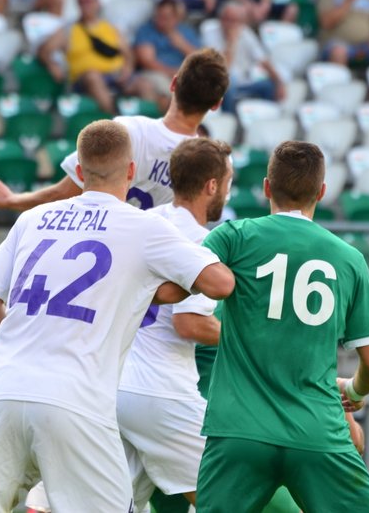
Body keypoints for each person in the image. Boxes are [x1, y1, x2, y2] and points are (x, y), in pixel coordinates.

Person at [0, 119, 235, 512]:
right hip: (77, 398)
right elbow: (219, 283)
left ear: (79, 170)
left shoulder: (32, 219)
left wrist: (25, 342)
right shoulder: (142, 226)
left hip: (3, 390)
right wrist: (158, 289)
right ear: (131, 170)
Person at [196, 141, 369, 512]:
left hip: (239, 431)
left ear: (267, 187)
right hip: (317, 432)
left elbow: (183, 291)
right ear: (322, 192)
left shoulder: (232, 237)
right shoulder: (349, 259)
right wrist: (355, 391)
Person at [117, 138, 232, 511]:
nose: (228, 191)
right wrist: (250, 342)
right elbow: (190, 323)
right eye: (227, 182)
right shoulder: (203, 241)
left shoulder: (143, 222)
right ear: (212, 186)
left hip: (114, 384)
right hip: (161, 391)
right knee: (227, 497)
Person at [0, 47, 230, 212]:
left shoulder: (127, 130)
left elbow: (63, 193)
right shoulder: (215, 163)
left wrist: (13, 200)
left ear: (173, 84)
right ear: (217, 104)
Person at [36, 0, 160, 117]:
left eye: (89, 1)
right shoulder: (69, 30)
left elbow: (128, 54)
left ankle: (151, 123)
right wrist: (52, 65)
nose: (86, 5)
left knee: (145, 85)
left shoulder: (111, 29)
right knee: (93, 76)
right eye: (82, 2)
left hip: (115, 76)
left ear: (97, 2)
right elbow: (44, 50)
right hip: (85, 80)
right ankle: (114, 120)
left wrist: (127, 69)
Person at [207, 1, 286, 113]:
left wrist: (279, 82)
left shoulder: (245, 33)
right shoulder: (210, 34)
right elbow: (223, 71)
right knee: (228, 83)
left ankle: (268, 116)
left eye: (235, 21)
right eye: (227, 19)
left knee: (269, 86)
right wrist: (231, 42)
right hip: (220, 85)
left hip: (245, 82)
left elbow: (263, 61)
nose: (230, 24)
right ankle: (229, 118)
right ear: (220, 19)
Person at [134, 0, 202, 101]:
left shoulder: (186, 31)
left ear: (175, 17)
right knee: (171, 91)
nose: (160, 20)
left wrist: (183, 45)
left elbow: (200, 59)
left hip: (184, 73)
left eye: (165, 17)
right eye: (158, 16)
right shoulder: (146, 31)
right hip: (157, 74)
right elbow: (147, 61)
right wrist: (171, 72)